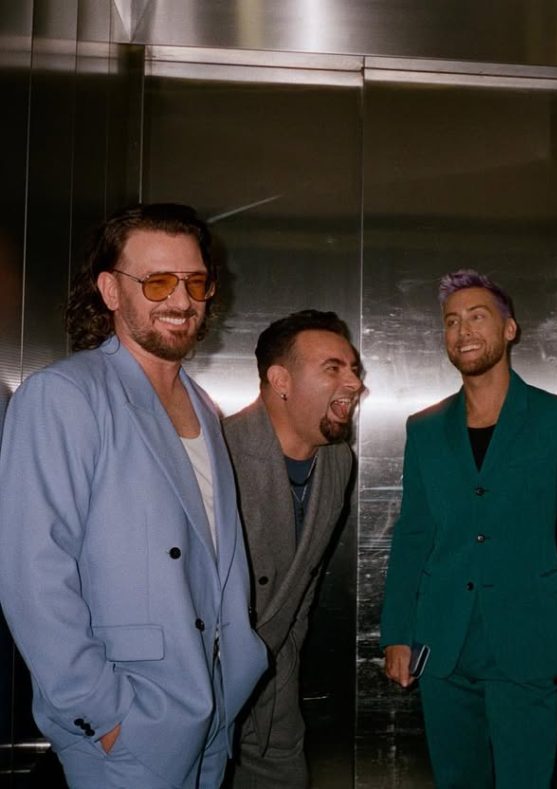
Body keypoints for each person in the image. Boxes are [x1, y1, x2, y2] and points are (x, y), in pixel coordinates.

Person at [0, 203, 267, 788]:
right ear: (110, 291)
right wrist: (105, 715)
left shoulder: (204, 407)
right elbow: (32, 576)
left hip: (212, 711)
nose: (181, 300)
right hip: (130, 724)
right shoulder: (64, 395)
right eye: (157, 281)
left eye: (195, 281)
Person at [380, 269, 557, 787]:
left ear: (509, 329)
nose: (463, 331)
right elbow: (413, 536)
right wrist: (397, 633)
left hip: (530, 641)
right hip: (442, 643)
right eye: (451, 321)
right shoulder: (424, 428)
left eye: (477, 317)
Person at [224, 309, 362, 788]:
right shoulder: (217, 452)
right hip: (199, 687)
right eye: (333, 368)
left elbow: (301, 592)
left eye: (353, 369)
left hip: (275, 695)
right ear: (280, 381)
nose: (354, 383)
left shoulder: (338, 461)